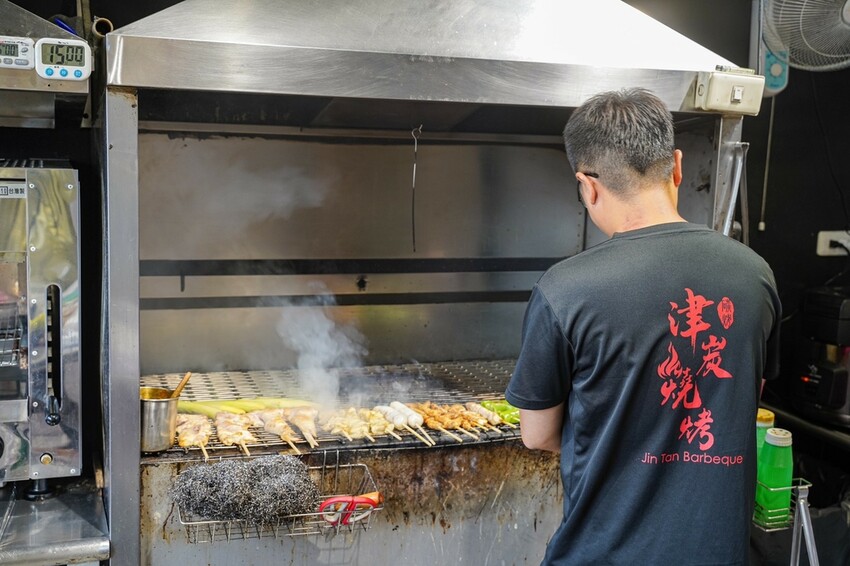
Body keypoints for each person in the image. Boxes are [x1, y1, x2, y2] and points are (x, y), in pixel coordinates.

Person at [505, 88, 781, 565]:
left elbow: (537, 434)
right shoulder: (754, 274)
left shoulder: (565, 289)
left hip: (603, 553)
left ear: (587, 186)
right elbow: (745, 396)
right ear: (676, 165)